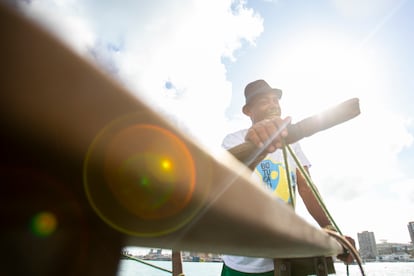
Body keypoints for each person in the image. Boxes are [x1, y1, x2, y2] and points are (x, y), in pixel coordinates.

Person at [220, 79, 352, 276]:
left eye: (275, 100)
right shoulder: (234, 140)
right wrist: (257, 146)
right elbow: (227, 186)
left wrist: (330, 229)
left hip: (285, 253)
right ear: (248, 111)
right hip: (243, 258)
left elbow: (307, 188)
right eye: (265, 101)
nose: (273, 105)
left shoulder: (293, 142)